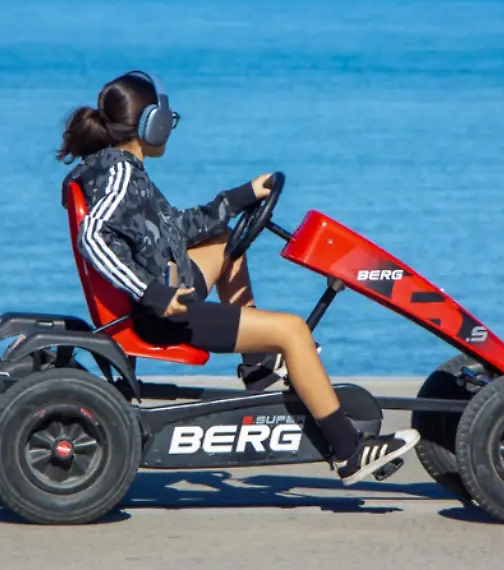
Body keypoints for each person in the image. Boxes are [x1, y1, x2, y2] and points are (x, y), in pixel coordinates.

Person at [56, 70, 420, 485]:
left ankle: (259, 366)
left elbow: (175, 228)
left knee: (225, 243)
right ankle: (350, 451)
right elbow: (94, 237)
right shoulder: (120, 175)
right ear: (151, 125)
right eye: (166, 119)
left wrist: (243, 195)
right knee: (293, 331)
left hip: (167, 290)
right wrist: (153, 294)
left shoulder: (118, 168)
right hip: (163, 314)